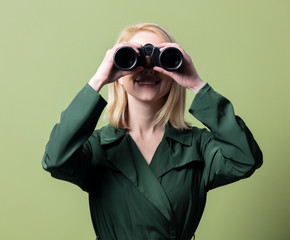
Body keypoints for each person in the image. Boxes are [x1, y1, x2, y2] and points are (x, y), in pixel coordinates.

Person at [42, 23, 263, 240]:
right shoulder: (98, 147)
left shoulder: (197, 146)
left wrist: (196, 83)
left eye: (160, 59)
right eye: (133, 59)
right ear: (117, 73)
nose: (147, 68)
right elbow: (55, 160)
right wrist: (98, 80)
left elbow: (245, 160)